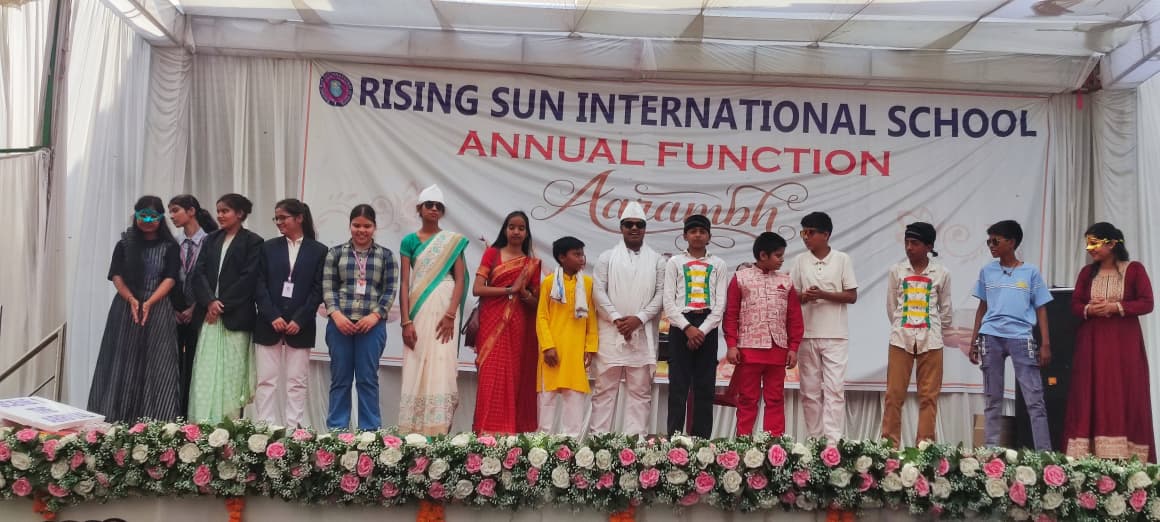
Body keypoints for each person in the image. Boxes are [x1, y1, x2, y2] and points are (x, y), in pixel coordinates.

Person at [1063, 223, 1155, 461]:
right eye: (1088, 243)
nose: (1090, 248)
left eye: (1094, 243)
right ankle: (1088, 455)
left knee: (1124, 391)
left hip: (1124, 345)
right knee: (1090, 391)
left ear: (1112, 244)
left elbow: (1147, 302)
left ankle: (1127, 457)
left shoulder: (1134, 270)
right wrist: (1089, 309)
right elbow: (1074, 305)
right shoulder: (1086, 273)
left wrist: (1115, 307)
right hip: (1091, 345)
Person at [88, 196, 183, 422]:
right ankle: (115, 419)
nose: (148, 221)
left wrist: (150, 302)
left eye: (153, 216)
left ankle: (157, 422)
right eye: (143, 216)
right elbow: (116, 275)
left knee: (159, 362)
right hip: (125, 309)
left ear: (161, 218)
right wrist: (131, 299)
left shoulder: (170, 247)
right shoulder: (124, 244)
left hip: (158, 309)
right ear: (136, 216)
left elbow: (170, 278)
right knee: (121, 360)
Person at [969, 219, 1053, 451]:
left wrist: (1045, 343)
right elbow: (982, 307)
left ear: (1011, 242)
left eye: (995, 241)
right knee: (992, 398)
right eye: (988, 242)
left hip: (1021, 336)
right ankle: (991, 452)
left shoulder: (1030, 272)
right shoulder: (987, 271)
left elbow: (1041, 308)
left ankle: (1043, 453)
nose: (991, 246)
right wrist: (974, 340)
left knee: (1034, 398)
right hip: (990, 336)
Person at [590, 201, 665, 437]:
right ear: (621, 228)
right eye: (629, 224)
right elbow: (598, 292)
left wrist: (639, 319)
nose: (634, 228)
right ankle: (599, 443)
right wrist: (617, 319)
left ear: (645, 229)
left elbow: (661, 294)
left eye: (639, 225)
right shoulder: (606, 258)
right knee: (604, 390)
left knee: (640, 392)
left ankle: (636, 445)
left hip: (642, 334)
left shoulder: (657, 260)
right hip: (611, 333)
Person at [398, 185, 468, 435]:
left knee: (442, 363)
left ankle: (438, 429)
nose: (434, 209)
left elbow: (460, 279)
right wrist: (405, 321)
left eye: (439, 206)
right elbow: (405, 283)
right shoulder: (409, 241)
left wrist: (450, 315)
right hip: (419, 309)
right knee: (416, 361)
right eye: (429, 205)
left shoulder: (451, 242)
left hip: (445, 309)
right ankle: (413, 431)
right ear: (420, 209)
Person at [188, 193, 263, 422]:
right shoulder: (210, 239)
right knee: (205, 370)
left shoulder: (253, 241)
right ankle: (203, 424)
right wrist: (210, 301)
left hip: (235, 317)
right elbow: (198, 273)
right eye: (218, 211)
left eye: (225, 211)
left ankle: (228, 426)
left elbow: (249, 278)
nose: (220, 215)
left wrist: (221, 305)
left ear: (240, 214)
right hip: (209, 316)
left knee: (232, 375)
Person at [253, 199, 328, 428]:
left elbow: (318, 289)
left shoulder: (319, 250)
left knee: (297, 381)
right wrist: (272, 315)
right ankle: (264, 428)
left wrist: (300, 319)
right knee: (266, 380)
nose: (279, 222)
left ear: (299, 218)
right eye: (276, 218)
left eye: (283, 217)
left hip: (301, 325)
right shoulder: (267, 247)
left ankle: (293, 429)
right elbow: (259, 284)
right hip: (268, 323)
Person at [323, 204, 398, 431]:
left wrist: (375, 316)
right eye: (357, 225)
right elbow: (328, 287)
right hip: (340, 324)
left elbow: (390, 290)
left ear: (374, 227)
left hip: (372, 326)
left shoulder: (386, 255)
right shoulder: (335, 253)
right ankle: (337, 431)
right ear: (350, 225)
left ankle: (369, 433)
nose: (361, 230)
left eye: (367, 226)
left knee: (367, 379)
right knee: (340, 379)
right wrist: (337, 315)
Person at [722, 232, 803, 436]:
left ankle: (773, 444)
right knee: (747, 398)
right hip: (748, 350)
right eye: (778, 255)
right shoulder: (741, 278)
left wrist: (793, 348)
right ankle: (744, 442)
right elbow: (731, 314)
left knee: (775, 399)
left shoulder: (786, 281)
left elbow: (794, 317)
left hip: (778, 351)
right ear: (763, 255)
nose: (782, 260)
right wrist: (731, 345)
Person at [881, 222, 952, 447]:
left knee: (928, 397)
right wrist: (903, 326)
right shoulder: (897, 271)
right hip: (900, 339)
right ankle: (889, 449)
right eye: (907, 242)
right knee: (894, 395)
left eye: (915, 243)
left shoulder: (941, 273)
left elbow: (946, 310)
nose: (909, 247)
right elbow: (892, 307)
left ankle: (924, 448)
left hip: (931, 341)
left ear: (928, 246)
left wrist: (933, 329)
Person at [789, 211, 858, 442]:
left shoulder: (842, 259)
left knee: (834, 389)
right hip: (807, 334)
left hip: (835, 335)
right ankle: (815, 440)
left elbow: (851, 296)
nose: (806, 238)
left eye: (810, 233)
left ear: (825, 235)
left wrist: (823, 294)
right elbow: (792, 296)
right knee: (809, 391)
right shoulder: (800, 260)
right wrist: (805, 296)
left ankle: (832, 442)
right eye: (803, 233)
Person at [471, 210, 541, 434]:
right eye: (512, 227)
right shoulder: (492, 254)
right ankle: (484, 432)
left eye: (521, 228)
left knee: (513, 376)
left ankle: (508, 433)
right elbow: (477, 289)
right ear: (505, 229)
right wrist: (510, 290)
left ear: (527, 233)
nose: (516, 232)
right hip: (491, 321)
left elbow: (536, 302)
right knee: (490, 375)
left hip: (518, 323)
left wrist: (524, 293)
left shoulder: (531, 264)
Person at [662, 214, 728, 438]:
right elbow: (668, 302)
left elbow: (720, 304)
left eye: (702, 231)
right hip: (681, 326)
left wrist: (702, 330)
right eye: (693, 231)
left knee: (704, 387)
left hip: (707, 327)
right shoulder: (674, 263)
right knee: (678, 386)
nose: (698, 235)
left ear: (709, 236)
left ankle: (701, 443)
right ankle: (675, 440)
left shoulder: (718, 264)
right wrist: (687, 328)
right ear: (685, 236)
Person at [535, 236, 597, 437]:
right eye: (576, 254)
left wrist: (590, 348)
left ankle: (570, 447)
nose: (581, 258)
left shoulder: (588, 284)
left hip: (575, 352)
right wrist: (547, 346)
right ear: (562, 257)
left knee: (574, 402)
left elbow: (592, 319)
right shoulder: (549, 283)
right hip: (552, 352)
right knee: (546, 402)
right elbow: (542, 317)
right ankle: (541, 448)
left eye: (582, 254)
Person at [167, 194, 218, 412]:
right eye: (170, 211)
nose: (171, 216)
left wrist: (196, 306)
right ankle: (175, 411)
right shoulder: (174, 242)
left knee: (197, 362)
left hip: (201, 310)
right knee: (175, 363)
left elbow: (211, 278)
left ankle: (194, 411)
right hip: (175, 310)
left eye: (175, 210)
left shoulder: (211, 241)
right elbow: (169, 277)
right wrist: (176, 307)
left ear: (191, 211)